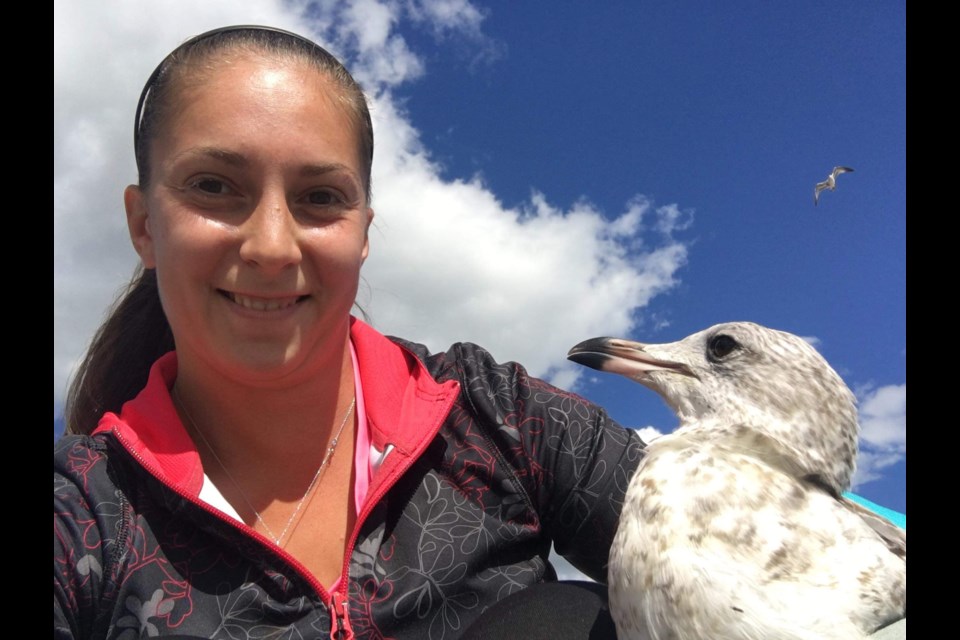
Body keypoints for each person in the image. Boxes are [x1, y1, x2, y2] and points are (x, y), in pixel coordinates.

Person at [54, 26, 643, 639]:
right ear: (144, 223)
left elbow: (738, 555)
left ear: (363, 235)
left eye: (319, 196)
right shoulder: (83, 513)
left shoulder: (499, 417)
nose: (272, 247)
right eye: (214, 186)